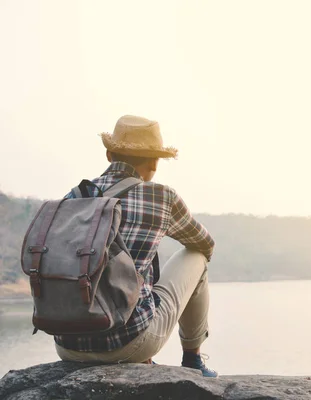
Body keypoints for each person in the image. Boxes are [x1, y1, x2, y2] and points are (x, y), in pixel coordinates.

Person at [53, 115, 218, 377]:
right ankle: (193, 359)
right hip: (130, 344)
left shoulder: (74, 196)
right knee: (196, 257)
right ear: (155, 161)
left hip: (68, 346)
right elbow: (205, 244)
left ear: (109, 155)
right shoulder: (161, 196)